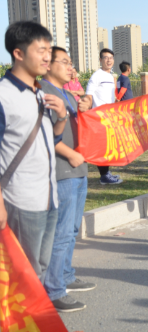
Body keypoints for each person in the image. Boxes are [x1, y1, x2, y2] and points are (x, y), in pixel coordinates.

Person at [1, 22, 67, 283]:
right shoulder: (4, 95)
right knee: (21, 273)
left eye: (49, 50)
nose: (47, 57)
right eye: (41, 50)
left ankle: (33, 320)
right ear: (18, 53)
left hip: (48, 196)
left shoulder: (38, 92)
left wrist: (61, 115)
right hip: (21, 199)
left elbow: (50, 140)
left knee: (38, 267)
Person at [39, 46, 95, 312]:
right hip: (62, 170)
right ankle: (54, 290)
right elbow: (46, 135)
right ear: (48, 64)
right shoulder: (45, 94)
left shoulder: (67, 94)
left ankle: (66, 276)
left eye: (71, 62)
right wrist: (70, 155)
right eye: (65, 62)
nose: (70, 67)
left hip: (78, 169)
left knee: (72, 229)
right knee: (61, 233)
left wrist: (87, 104)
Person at [85, 48, 122, 185]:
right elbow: (89, 95)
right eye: (105, 57)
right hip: (99, 117)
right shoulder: (97, 76)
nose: (109, 60)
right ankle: (104, 176)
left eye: (111, 57)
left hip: (109, 117)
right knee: (102, 147)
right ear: (100, 60)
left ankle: (107, 172)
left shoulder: (110, 76)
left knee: (108, 146)